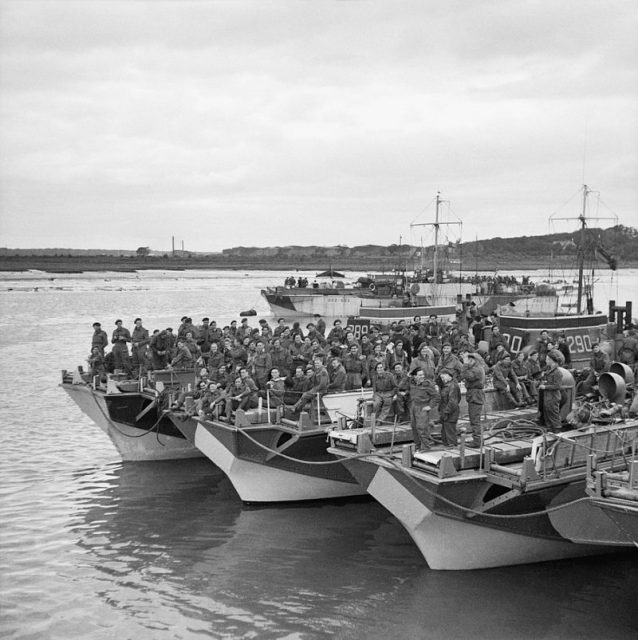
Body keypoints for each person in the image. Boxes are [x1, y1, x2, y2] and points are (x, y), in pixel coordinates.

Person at [409, 368, 440, 452]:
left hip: (422, 408)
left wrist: (430, 406)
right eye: (419, 375)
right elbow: (401, 385)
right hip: (413, 407)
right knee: (414, 427)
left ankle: (426, 447)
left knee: (422, 428)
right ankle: (418, 446)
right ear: (415, 376)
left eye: (423, 374)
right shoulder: (412, 383)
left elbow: (436, 397)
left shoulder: (427, 384)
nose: (422, 376)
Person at [460, 351, 485, 447]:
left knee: (475, 420)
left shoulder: (477, 369)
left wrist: (465, 364)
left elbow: (466, 375)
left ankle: (477, 441)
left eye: (469, 360)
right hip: (474, 394)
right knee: (475, 419)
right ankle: (479, 439)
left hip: (475, 395)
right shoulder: (477, 367)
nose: (468, 362)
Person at [539, 350, 564, 432]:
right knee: (547, 415)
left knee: (553, 415)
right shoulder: (549, 371)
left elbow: (557, 386)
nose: (546, 360)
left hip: (553, 397)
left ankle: (557, 432)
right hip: (547, 397)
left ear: (551, 360)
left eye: (547, 359)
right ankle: (549, 431)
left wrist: (545, 387)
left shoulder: (557, 372)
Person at [438, 371, 461, 447]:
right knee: (445, 435)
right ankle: (448, 449)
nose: (442, 379)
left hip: (450, 414)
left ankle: (453, 451)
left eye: (443, 377)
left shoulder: (452, 386)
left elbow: (453, 402)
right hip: (446, 413)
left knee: (450, 434)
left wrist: (446, 412)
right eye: (441, 378)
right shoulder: (446, 386)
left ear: (448, 375)